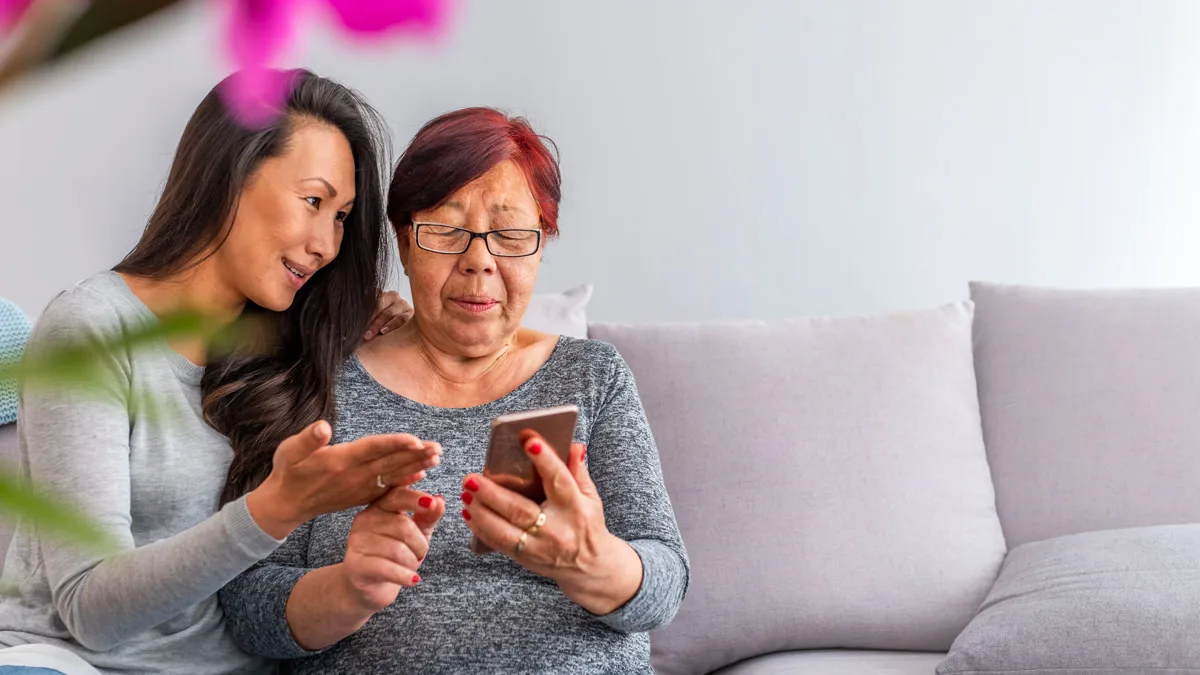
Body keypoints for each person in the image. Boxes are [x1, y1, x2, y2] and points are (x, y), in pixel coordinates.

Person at [0, 69, 442, 675]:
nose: (325, 244)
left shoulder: (299, 348)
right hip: (68, 662)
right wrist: (271, 511)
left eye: (340, 216)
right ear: (228, 175)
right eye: (312, 201)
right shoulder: (91, 328)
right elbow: (90, 608)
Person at [220, 107, 689, 674]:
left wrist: (588, 559)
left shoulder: (592, 376)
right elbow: (247, 604)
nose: (479, 262)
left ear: (541, 244)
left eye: (510, 234)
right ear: (405, 240)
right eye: (446, 230)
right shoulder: (326, 380)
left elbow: (664, 584)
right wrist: (348, 590)